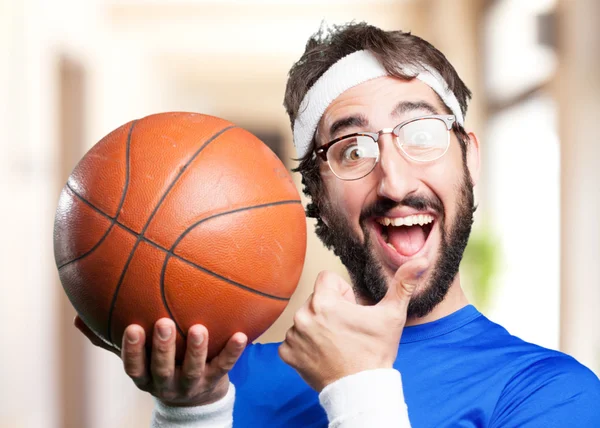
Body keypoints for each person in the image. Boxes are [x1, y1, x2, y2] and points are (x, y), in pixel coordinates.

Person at [76, 22, 600, 427]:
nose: (394, 182)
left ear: (470, 161)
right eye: (352, 149)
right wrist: (189, 411)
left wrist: (358, 387)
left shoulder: (547, 394)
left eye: (420, 134)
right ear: (317, 194)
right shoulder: (226, 382)